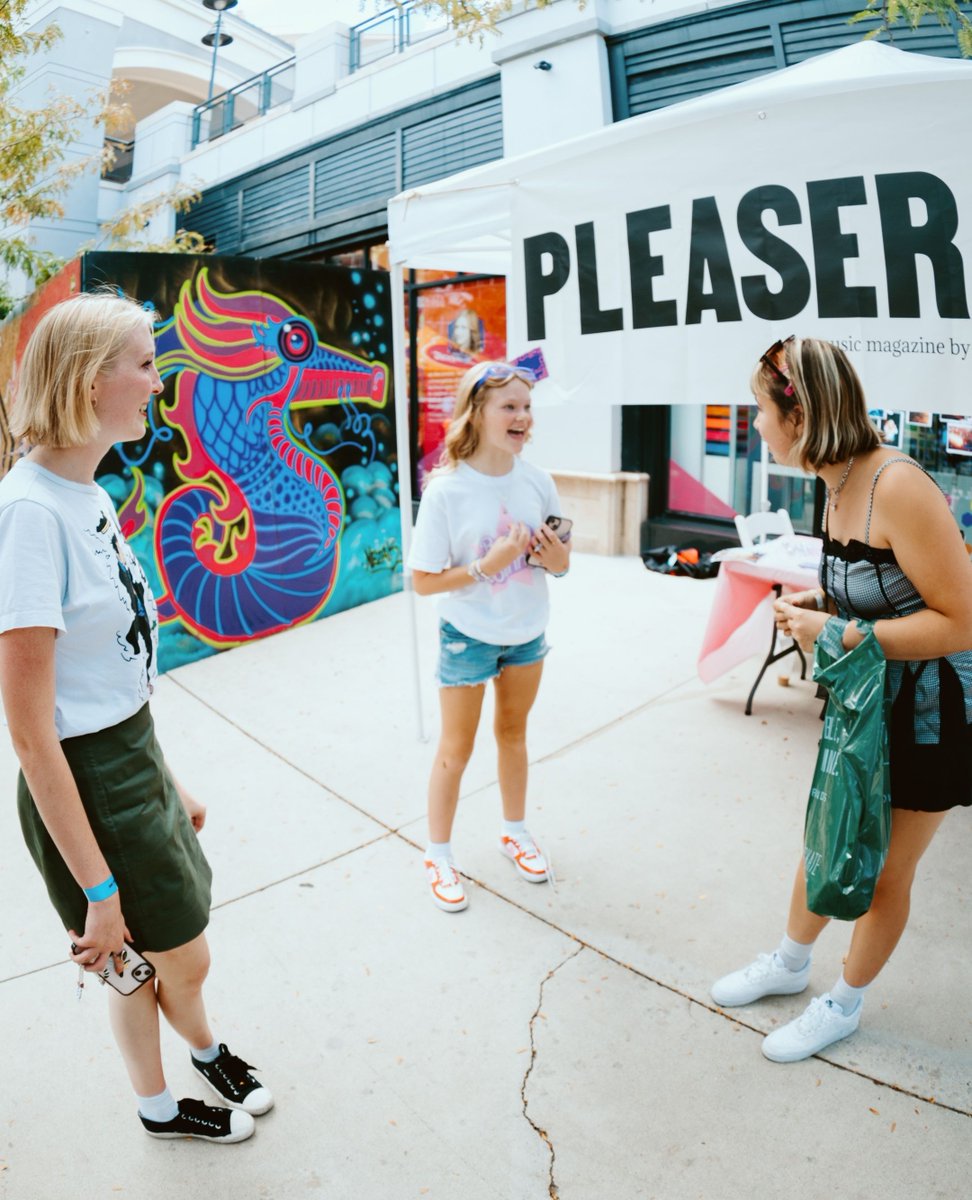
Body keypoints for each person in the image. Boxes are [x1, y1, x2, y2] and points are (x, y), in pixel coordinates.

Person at [0, 293, 273, 1141]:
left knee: (178, 955)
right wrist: (99, 891)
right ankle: (161, 1106)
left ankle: (202, 1046)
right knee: (144, 963)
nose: (159, 383)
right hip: (85, 786)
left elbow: (108, 677)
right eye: (146, 365)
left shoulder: (88, 493)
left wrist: (167, 774)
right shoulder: (30, 516)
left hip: (132, 760)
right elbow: (33, 728)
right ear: (89, 381)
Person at [710, 335, 972, 1061]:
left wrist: (841, 632)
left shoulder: (898, 484)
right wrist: (821, 600)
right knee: (831, 833)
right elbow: (881, 592)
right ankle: (790, 965)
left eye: (760, 410)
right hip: (868, 700)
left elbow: (961, 620)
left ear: (799, 414)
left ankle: (843, 1003)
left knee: (886, 869)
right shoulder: (833, 479)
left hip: (934, 710)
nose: (755, 425)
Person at [408, 361, 570, 912]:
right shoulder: (447, 490)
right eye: (510, 406)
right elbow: (424, 582)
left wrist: (559, 559)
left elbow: (560, 558)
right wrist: (488, 564)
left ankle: (515, 832)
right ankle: (438, 853)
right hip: (467, 634)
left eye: (527, 406)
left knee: (514, 736)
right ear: (476, 412)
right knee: (456, 749)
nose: (522, 416)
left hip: (528, 631)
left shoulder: (538, 480)